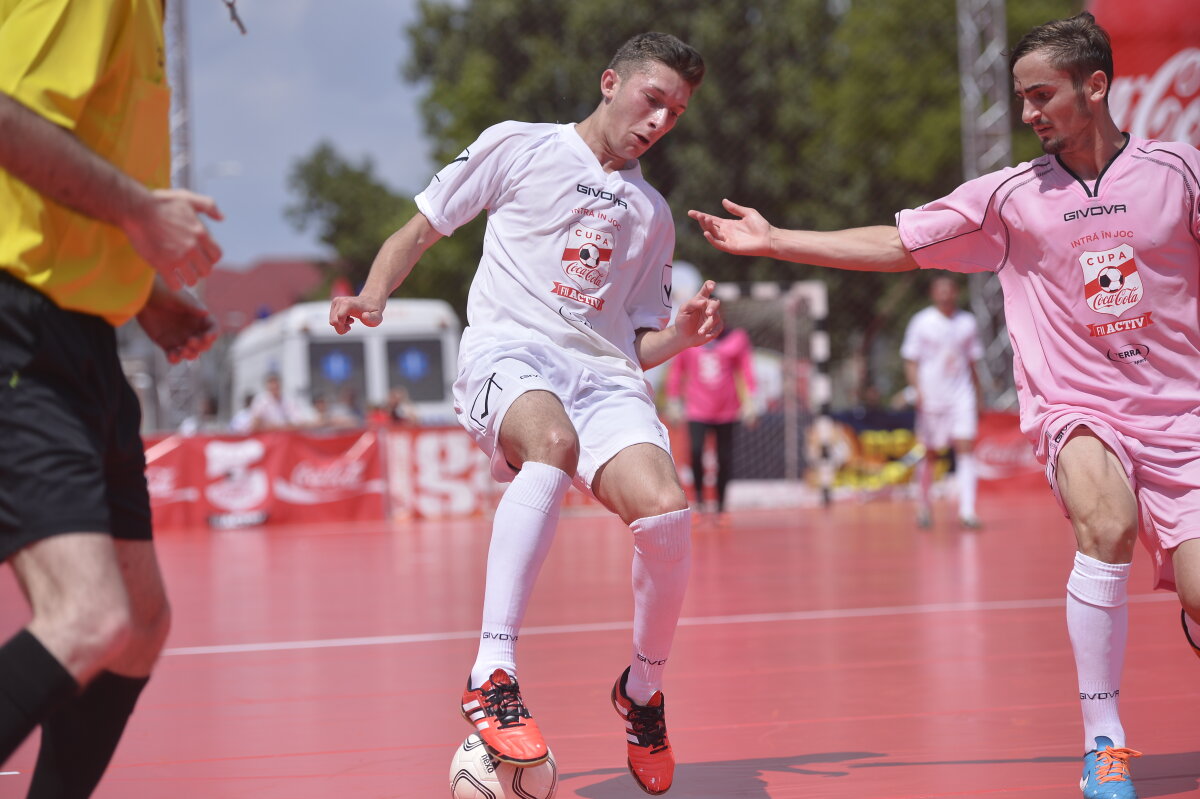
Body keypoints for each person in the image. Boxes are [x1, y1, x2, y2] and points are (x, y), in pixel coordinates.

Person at [689, 12, 1199, 797]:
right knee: (1106, 524)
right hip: (1078, 409)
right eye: (1020, 97)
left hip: (1181, 417)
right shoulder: (1010, 197)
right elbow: (899, 244)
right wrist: (777, 239)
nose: (1027, 113)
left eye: (1042, 95)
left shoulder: (1178, 173)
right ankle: (1105, 741)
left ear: (1095, 87)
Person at [331, 32, 715, 795]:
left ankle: (642, 692)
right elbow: (423, 227)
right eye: (652, 100)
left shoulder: (653, 214)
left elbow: (633, 343)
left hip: (604, 378)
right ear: (611, 83)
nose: (660, 121)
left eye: (675, 112)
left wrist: (681, 336)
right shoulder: (519, 147)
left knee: (667, 511)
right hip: (512, 355)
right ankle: (492, 670)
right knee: (552, 443)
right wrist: (375, 291)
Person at [0, 0, 223, 795]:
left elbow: (62, 184)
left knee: (137, 625)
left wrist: (142, 294)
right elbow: (7, 119)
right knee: (88, 617)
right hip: (18, 321)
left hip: (81, 329)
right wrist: (138, 209)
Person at [899, 275, 983, 529]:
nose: (945, 295)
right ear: (933, 294)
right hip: (932, 398)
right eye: (940, 290)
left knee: (965, 447)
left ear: (956, 292)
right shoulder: (922, 322)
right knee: (930, 453)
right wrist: (917, 390)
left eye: (949, 290)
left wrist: (979, 396)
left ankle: (967, 511)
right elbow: (911, 360)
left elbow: (972, 362)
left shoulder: (967, 322)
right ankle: (923, 506)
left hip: (961, 396)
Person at [665, 326, 757, 523]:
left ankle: (721, 506)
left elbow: (746, 368)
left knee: (724, 457)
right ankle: (698, 502)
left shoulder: (736, 338)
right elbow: (677, 370)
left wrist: (752, 399)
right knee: (696, 452)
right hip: (697, 409)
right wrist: (673, 399)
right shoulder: (689, 338)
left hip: (727, 410)